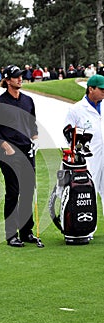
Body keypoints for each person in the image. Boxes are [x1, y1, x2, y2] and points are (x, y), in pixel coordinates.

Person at [0, 65, 39, 247]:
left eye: (20, 76)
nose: (20, 79)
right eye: (16, 77)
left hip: (27, 151)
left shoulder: (28, 101)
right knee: (13, 193)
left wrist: (35, 139)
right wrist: (6, 146)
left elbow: (32, 124)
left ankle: (26, 232)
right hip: (10, 153)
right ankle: (11, 235)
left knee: (27, 192)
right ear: (7, 80)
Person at [64, 74, 104, 235]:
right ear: (91, 89)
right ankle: (87, 228)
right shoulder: (76, 109)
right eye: (101, 89)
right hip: (90, 157)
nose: (103, 92)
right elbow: (68, 133)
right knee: (89, 191)